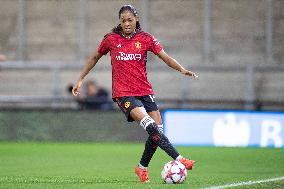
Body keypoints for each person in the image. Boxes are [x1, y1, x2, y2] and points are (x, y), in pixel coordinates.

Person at [72, 5, 198, 183]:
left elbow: (166, 57)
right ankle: (179, 159)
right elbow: (93, 58)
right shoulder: (110, 39)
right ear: (120, 22)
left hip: (145, 91)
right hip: (124, 94)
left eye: (130, 20)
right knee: (151, 126)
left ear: (136, 19)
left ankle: (141, 168)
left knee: (157, 133)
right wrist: (80, 79)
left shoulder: (146, 39)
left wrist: (182, 69)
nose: (127, 23)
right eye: (123, 20)